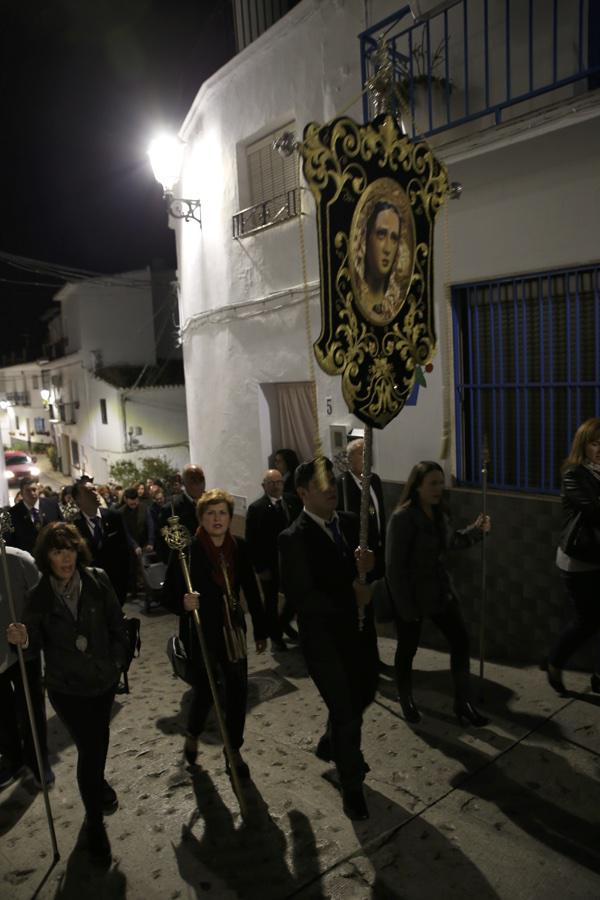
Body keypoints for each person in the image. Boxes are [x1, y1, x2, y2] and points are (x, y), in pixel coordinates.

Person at [6, 522, 129, 864]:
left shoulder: (97, 580)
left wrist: (116, 663)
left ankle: (97, 785)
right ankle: (94, 822)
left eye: (70, 550)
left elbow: (118, 626)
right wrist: (22, 638)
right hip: (67, 689)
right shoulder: (39, 595)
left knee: (95, 743)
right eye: (57, 552)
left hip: (102, 682)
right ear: (46, 556)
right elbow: (32, 645)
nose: (65, 559)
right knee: (92, 744)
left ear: (79, 550)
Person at [279, 458, 378, 821]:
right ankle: (351, 784)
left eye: (332, 481)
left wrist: (370, 567)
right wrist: (349, 595)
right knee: (348, 714)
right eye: (320, 485)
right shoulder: (292, 539)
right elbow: (302, 596)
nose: (331, 488)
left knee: (365, 694)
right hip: (324, 642)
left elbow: (372, 572)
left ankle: (330, 740)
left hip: (360, 635)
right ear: (303, 493)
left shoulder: (354, 525)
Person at [164, 489, 267, 777]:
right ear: (201, 518)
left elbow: (250, 588)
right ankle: (193, 734)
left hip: (233, 630)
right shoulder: (187, 551)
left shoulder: (240, 547)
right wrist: (183, 602)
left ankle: (233, 749)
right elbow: (167, 596)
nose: (217, 518)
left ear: (230, 517)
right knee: (206, 691)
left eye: (222, 512)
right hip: (200, 632)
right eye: (210, 513)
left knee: (238, 692)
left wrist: (260, 629)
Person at [386, 461, 490, 727]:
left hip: (440, 592)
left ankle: (463, 702)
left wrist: (476, 532)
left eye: (440, 483)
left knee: (460, 641)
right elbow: (394, 568)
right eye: (432, 483)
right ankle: (406, 697)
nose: (438, 488)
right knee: (407, 649)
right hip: (411, 595)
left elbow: (451, 541)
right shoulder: (403, 518)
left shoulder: (439, 513)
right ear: (417, 486)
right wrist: (405, 608)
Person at [547, 418, 600, 695]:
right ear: (583, 445)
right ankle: (555, 662)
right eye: (594, 443)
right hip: (579, 559)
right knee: (587, 620)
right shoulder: (574, 474)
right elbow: (593, 510)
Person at [0, 546, 52, 790]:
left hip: (23, 651)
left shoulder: (20, 560)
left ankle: (38, 760)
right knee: (2, 712)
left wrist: (28, 633)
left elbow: (44, 605)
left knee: (30, 706)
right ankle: (14, 757)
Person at [245, 469, 302, 652]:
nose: (276, 486)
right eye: (271, 483)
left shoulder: (292, 501)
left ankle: (283, 623)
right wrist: (260, 567)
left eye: (279, 482)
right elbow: (251, 541)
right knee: (270, 601)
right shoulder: (257, 508)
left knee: (294, 597)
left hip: (291, 562)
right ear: (264, 486)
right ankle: (276, 637)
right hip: (269, 564)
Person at [71, 480, 130, 605]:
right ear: (78, 500)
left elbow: (125, 551)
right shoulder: (72, 526)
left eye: (94, 489)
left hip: (116, 585)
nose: (95, 493)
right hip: (90, 589)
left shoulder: (114, 517)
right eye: (89, 491)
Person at [336, 438, 386, 578]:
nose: (367, 457)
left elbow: (379, 514)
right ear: (350, 459)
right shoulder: (342, 484)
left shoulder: (374, 480)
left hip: (378, 551)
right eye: (361, 453)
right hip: (358, 555)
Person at [362, 201, 401, 323]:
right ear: (367, 238)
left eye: (394, 238)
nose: (388, 249)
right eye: (381, 235)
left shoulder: (396, 305)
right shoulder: (358, 301)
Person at [8, 476, 62, 555]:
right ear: (22, 493)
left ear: (38, 490)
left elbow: (62, 526)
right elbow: (11, 541)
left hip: (53, 555)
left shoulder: (52, 505)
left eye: (34, 489)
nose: (32, 493)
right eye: (27, 490)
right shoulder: (13, 513)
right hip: (28, 559)